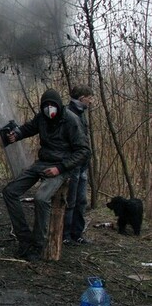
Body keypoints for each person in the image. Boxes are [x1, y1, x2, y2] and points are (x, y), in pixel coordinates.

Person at [2, 89, 90, 261]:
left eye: (52, 105)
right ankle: (25, 240)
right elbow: (29, 128)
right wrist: (16, 135)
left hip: (61, 167)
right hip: (42, 162)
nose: (49, 109)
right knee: (9, 192)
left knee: (41, 199)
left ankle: (38, 245)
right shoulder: (42, 117)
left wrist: (60, 168)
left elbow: (84, 151)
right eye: (46, 105)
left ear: (59, 105)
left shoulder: (71, 120)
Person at [62, 85, 95, 245]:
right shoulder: (68, 113)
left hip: (83, 164)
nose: (91, 101)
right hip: (73, 164)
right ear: (82, 98)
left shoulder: (82, 113)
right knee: (71, 200)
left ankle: (77, 234)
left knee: (81, 201)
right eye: (89, 98)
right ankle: (65, 235)